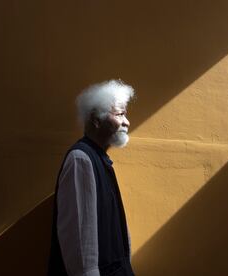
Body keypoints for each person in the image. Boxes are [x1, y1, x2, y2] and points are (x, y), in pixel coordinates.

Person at [48, 80, 135, 276]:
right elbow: (80, 245)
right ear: (96, 119)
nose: (126, 122)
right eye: (120, 114)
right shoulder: (81, 159)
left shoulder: (98, 159)